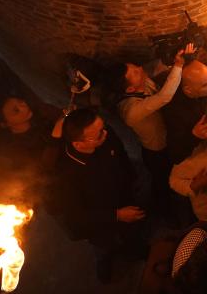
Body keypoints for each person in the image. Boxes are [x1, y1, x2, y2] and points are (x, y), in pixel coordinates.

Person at [51, 107, 146, 283]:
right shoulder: (66, 174)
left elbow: (121, 156)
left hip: (125, 198)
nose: (105, 133)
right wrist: (116, 215)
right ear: (78, 144)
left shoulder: (105, 136)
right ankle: (104, 262)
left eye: (103, 127)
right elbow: (76, 216)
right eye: (98, 134)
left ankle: (134, 250)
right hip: (100, 222)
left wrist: (132, 180)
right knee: (103, 246)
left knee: (132, 233)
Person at [109, 48, 186, 213]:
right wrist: (178, 66)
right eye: (135, 73)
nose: (140, 68)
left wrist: (173, 58)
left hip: (165, 138)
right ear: (130, 90)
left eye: (136, 67)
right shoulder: (131, 111)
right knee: (162, 182)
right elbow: (163, 97)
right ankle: (165, 211)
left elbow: (157, 68)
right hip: (155, 151)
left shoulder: (143, 82)